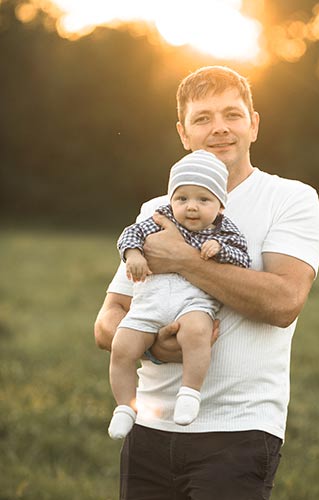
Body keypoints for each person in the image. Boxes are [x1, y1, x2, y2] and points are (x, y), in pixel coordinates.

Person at [94, 65, 319, 500]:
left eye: (232, 115)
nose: (219, 128)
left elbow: (283, 302)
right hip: (148, 425)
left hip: (237, 431)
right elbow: (108, 318)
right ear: (184, 133)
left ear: (253, 125)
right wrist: (154, 345)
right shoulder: (158, 208)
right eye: (203, 118)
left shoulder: (290, 199)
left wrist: (184, 260)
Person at [108, 149, 250, 439]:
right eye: (182, 198)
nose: (191, 207)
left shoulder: (224, 230)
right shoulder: (159, 219)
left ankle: (190, 392)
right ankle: (124, 407)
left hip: (193, 301)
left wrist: (222, 251)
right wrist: (133, 254)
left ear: (220, 206)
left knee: (197, 332)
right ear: (171, 200)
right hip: (150, 300)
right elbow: (129, 234)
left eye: (203, 199)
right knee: (122, 346)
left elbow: (244, 259)